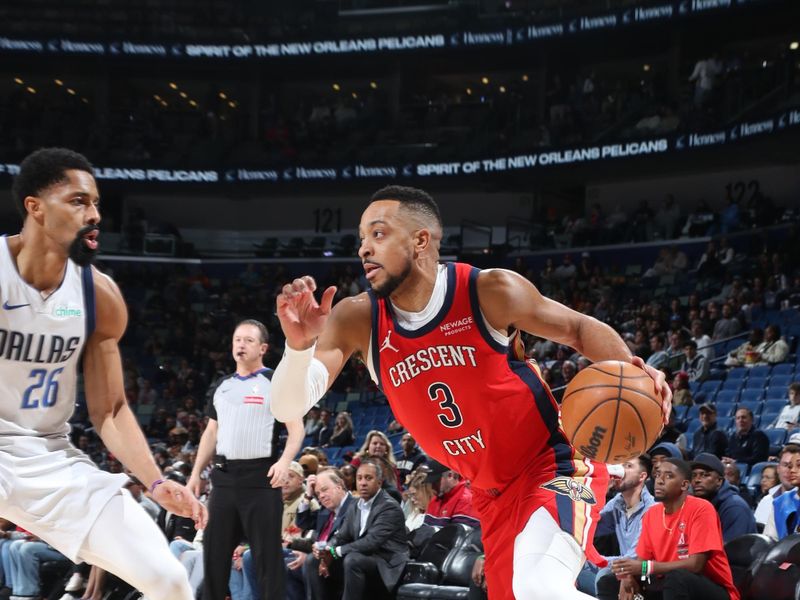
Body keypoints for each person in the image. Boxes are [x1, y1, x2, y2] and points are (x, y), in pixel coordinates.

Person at [269, 185, 670, 600]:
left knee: (539, 586)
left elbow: (578, 328)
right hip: (489, 493)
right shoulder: (358, 318)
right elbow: (289, 403)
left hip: (551, 463)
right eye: (361, 238)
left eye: (378, 233)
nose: (364, 249)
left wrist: (634, 371)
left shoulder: (487, 290)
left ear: (421, 240)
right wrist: (297, 350)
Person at [0, 148, 206, 600]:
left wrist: (155, 482)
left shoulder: (99, 295)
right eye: (78, 201)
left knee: (170, 582)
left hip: (48, 458)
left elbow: (110, 409)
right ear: (34, 207)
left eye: (95, 203)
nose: (94, 215)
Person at [187, 319, 305, 600]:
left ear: (263, 347)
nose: (240, 344)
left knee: (267, 561)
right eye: (237, 339)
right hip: (224, 480)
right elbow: (211, 432)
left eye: (248, 340)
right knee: (214, 558)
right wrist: (195, 474)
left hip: (261, 479)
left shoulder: (276, 381)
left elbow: (296, 428)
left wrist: (285, 461)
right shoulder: (222, 386)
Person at [598, 458, 739, 600]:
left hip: (711, 589)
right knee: (609, 581)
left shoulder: (702, 509)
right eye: (658, 475)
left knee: (677, 577)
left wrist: (645, 568)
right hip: (668, 584)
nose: (660, 480)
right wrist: (628, 575)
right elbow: (641, 563)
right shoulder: (652, 514)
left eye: (669, 476)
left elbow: (696, 565)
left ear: (684, 485)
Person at [321, 460, 409, 600]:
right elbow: (342, 535)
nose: (362, 483)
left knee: (353, 559)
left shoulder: (389, 507)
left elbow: (371, 542)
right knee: (312, 561)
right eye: (359, 478)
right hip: (365, 558)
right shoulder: (355, 505)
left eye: (368, 478)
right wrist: (327, 549)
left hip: (387, 564)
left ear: (379, 482)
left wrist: (335, 551)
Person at [582, 455, 655, 597]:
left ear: (642, 476)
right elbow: (588, 526)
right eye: (619, 465)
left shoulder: (651, 509)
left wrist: (595, 558)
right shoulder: (617, 503)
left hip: (644, 573)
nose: (621, 470)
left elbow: (633, 559)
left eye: (628, 466)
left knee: (604, 575)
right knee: (575, 568)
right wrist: (602, 489)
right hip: (622, 568)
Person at [293, 467, 356, 600]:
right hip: (318, 555)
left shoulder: (355, 506)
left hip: (341, 559)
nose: (321, 496)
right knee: (284, 563)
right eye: (318, 493)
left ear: (339, 486)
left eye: (325, 489)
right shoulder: (326, 509)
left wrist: (323, 553)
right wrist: (308, 495)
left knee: (311, 561)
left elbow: (347, 539)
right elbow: (303, 522)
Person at [689, 453, 756, 542]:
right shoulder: (697, 504)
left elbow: (731, 551)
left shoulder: (735, 507)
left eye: (705, 475)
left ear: (719, 481)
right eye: (693, 475)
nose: (697, 480)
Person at [423, 460, 480, 528]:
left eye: (436, 482)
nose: (432, 487)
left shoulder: (466, 500)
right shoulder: (436, 498)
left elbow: (460, 536)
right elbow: (425, 531)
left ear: (450, 475)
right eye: (431, 483)